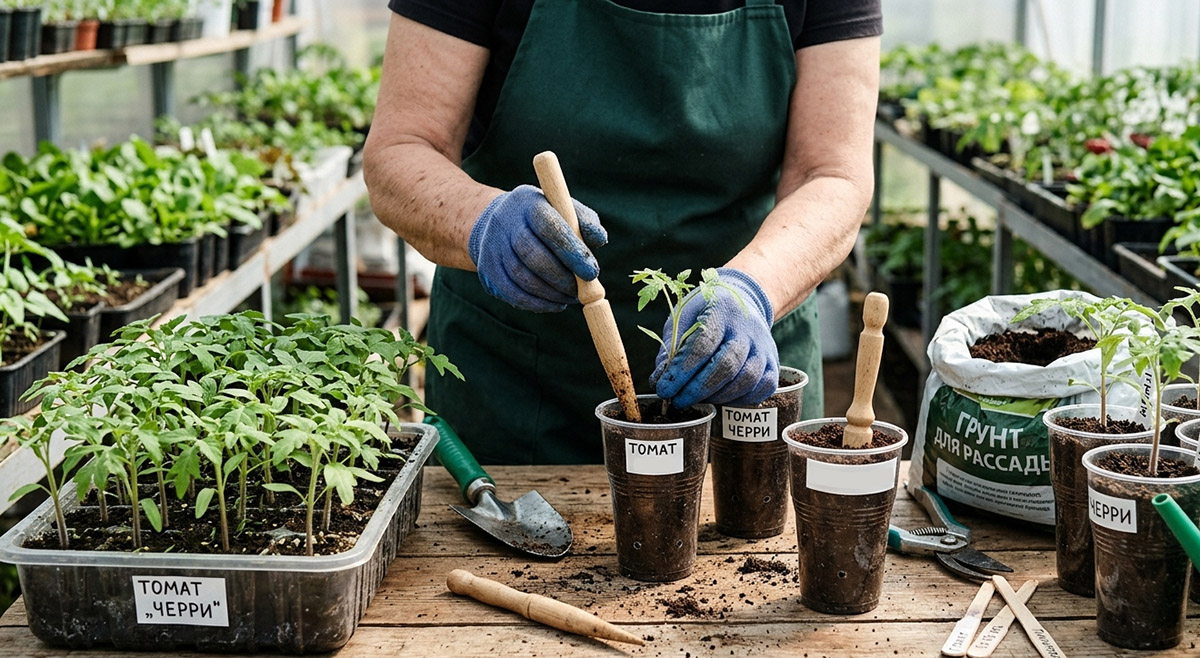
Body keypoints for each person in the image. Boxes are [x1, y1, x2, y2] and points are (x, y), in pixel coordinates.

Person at [363, 0, 881, 465]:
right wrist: (481, 220)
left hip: (739, 370)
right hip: (518, 386)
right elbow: (401, 149)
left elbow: (833, 174)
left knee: (754, 535)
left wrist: (753, 290)